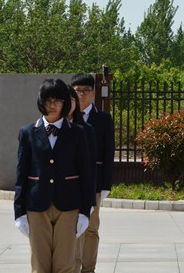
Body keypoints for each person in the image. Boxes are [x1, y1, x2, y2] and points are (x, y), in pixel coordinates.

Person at [14, 78, 93, 273]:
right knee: (39, 265)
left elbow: (86, 173)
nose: (52, 105)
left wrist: (85, 211)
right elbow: (21, 173)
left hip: (69, 206)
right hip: (36, 206)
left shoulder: (78, 133)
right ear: (40, 102)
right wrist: (19, 213)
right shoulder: (27, 132)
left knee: (65, 264)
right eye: (48, 100)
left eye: (57, 100)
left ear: (65, 102)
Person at [70, 73, 115, 273]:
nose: (82, 94)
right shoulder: (66, 118)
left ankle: (89, 268)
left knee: (91, 227)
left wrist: (105, 185)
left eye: (86, 91)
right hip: (71, 181)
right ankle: (74, 267)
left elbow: (109, 152)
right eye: (78, 91)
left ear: (94, 93)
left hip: (94, 183)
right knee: (73, 227)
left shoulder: (103, 119)